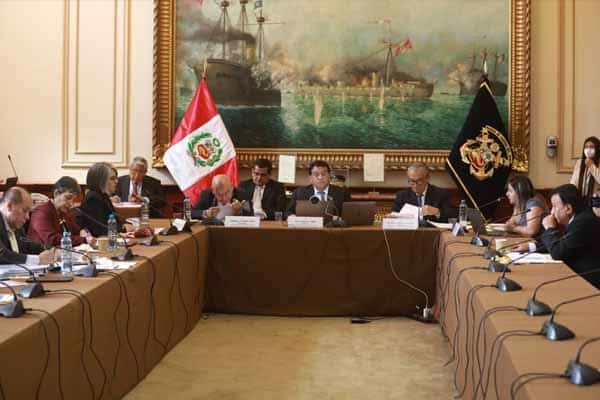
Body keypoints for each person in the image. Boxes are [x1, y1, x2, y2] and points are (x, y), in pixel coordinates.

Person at [514, 184, 600, 289]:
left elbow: (558, 252)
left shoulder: (584, 222)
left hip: (589, 283)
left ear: (568, 208)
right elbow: (562, 243)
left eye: (554, 207)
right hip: (576, 275)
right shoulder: (578, 218)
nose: (552, 212)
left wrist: (549, 228)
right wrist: (532, 246)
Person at [28, 176, 95, 247]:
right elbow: (51, 239)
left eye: (73, 199)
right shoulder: (41, 212)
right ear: (56, 193)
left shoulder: (63, 212)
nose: (71, 203)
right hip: (41, 252)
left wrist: (83, 232)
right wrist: (83, 240)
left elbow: (76, 232)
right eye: (68, 198)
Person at [0, 187, 56, 265]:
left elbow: (29, 246)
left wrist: (52, 252)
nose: (27, 217)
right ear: (9, 206)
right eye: (24, 211)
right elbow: (2, 254)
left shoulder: (16, 225)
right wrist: (37, 260)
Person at [77, 162, 133, 237]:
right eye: (112, 179)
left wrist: (125, 224)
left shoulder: (103, 196)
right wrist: (123, 229)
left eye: (116, 178)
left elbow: (114, 218)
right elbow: (100, 229)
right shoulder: (93, 198)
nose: (116, 181)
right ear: (101, 181)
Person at [287, 160, 351, 216]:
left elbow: (349, 214)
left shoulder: (342, 193)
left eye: (323, 174)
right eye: (316, 174)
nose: (320, 177)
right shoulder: (299, 193)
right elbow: (288, 212)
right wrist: (293, 218)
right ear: (310, 178)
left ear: (329, 176)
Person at [570, 136, 600, 203]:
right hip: (580, 199)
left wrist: (591, 166)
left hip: (596, 201)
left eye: (591, 147)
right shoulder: (579, 162)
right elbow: (574, 181)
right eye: (586, 147)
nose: (588, 149)